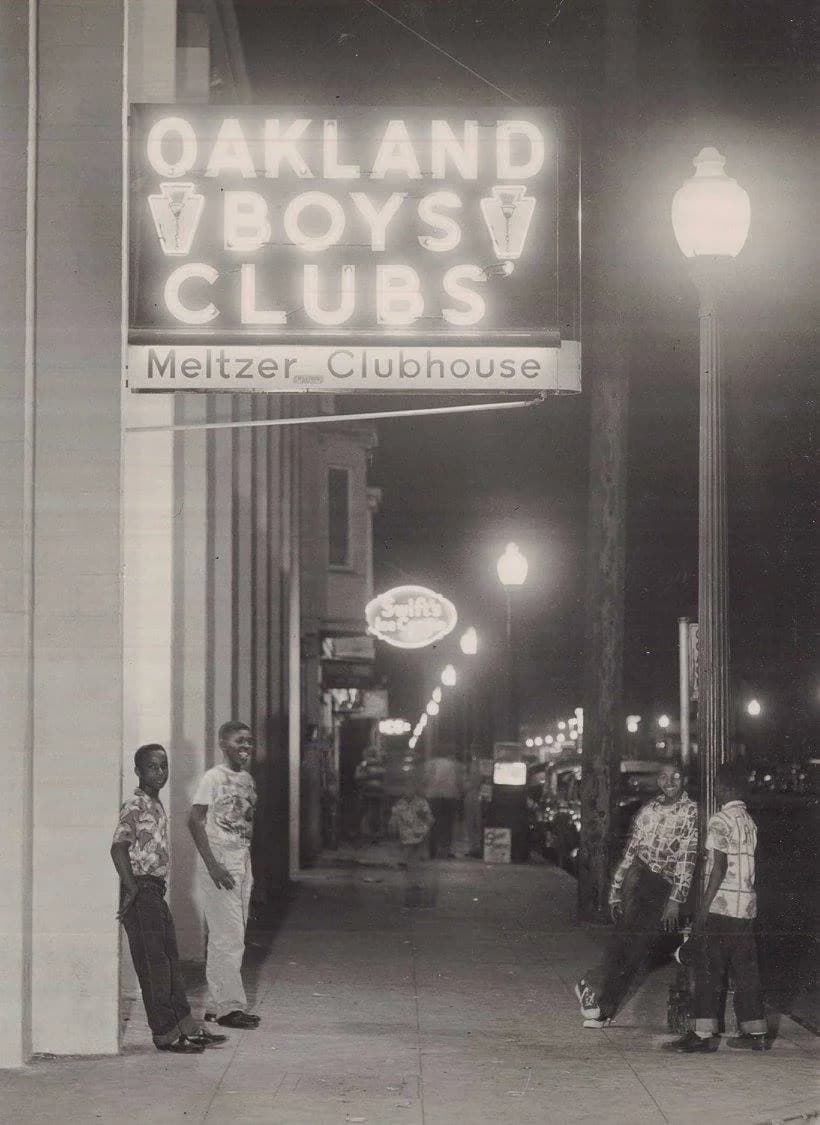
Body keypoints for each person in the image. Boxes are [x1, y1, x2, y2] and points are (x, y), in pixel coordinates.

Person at [111, 744, 227, 1053]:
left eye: (163, 766)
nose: (159, 772)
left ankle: (186, 1026)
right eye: (152, 766)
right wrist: (132, 888)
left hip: (155, 892)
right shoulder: (134, 804)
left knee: (170, 962)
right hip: (142, 892)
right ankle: (164, 1034)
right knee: (154, 968)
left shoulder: (155, 805)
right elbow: (118, 848)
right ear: (138, 771)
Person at [574, 761, 698, 1028]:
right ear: (658, 781)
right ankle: (602, 1005)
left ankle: (595, 990)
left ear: (684, 780)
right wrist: (615, 891)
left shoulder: (689, 812)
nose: (670, 782)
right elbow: (631, 853)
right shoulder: (649, 811)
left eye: (676, 776)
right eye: (664, 777)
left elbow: (687, 860)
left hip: (662, 884)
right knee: (628, 941)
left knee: (635, 947)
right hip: (638, 879)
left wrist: (676, 900)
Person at [665, 762, 770, 1053]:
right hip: (746, 907)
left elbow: (719, 867)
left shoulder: (720, 820)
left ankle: (702, 1034)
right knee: (746, 971)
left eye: (717, 784)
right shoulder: (749, 822)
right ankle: (756, 1033)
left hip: (721, 906)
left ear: (723, 787)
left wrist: (702, 909)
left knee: (709, 968)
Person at [188, 721, 260, 1030]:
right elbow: (194, 821)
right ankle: (230, 1008)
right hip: (219, 860)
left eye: (249, 741)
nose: (245, 745)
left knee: (230, 934)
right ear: (222, 743)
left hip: (241, 859)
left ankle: (218, 1005)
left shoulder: (246, 780)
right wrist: (213, 865)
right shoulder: (213, 778)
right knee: (228, 935)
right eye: (239, 740)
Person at [388, 773, 435, 907]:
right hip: (407, 836)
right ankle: (411, 882)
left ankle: (416, 881)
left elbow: (430, 818)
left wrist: (426, 823)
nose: (409, 790)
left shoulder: (421, 803)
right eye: (407, 788)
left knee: (417, 859)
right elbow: (394, 818)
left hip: (420, 835)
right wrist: (392, 826)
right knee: (410, 859)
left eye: (412, 788)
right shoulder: (400, 804)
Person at [423, 747, 464, 858]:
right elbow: (459, 782)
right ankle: (445, 850)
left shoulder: (430, 764)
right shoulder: (454, 765)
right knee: (448, 824)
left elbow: (425, 780)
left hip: (433, 796)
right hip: (450, 796)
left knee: (433, 823)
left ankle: (432, 850)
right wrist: (460, 793)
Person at [355, 745, 387, 844]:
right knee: (376, 814)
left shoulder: (364, 764)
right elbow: (384, 777)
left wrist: (365, 774)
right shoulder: (380, 765)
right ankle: (375, 835)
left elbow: (358, 776)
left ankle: (360, 834)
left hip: (366, 791)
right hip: (378, 792)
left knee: (362, 812)